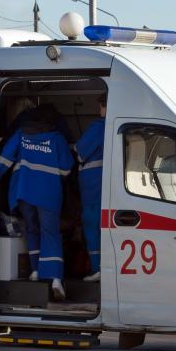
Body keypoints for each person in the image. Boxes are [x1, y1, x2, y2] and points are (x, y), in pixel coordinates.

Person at [0, 108, 74, 301]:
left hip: (24, 190)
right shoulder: (57, 138)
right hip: (49, 192)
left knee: (32, 229)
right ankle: (55, 279)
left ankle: (35, 271)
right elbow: (66, 168)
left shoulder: (21, 134)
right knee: (50, 233)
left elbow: (6, 156)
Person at [74, 96, 106, 283]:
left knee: (92, 224)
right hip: (104, 183)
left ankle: (96, 268)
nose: (99, 110)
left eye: (100, 106)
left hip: (93, 183)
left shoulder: (99, 126)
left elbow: (80, 151)